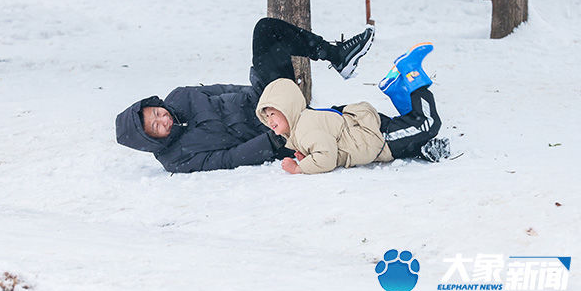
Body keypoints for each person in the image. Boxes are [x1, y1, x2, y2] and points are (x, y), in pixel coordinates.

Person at [115, 17, 375, 173]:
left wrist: (267, 93)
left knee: (265, 30)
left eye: (158, 113)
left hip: (264, 101)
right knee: (345, 124)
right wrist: (272, 141)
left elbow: (226, 90)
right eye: (156, 126)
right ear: (150, 140)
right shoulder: (175, 159)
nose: (164, 119)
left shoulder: (180, 96)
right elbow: (227, 159)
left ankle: (336, 55)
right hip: (271, 136)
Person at [255, 43, 451, 174]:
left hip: (375, 138)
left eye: (274, 114)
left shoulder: (304, 130)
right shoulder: (302, 125)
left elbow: (327, 158)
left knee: (427, 125)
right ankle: (397, 89)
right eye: (267, 117)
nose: (270, 120)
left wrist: (298, 168)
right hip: (365, 129)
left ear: (288, 109)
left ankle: (411, 71)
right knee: (412, 132)